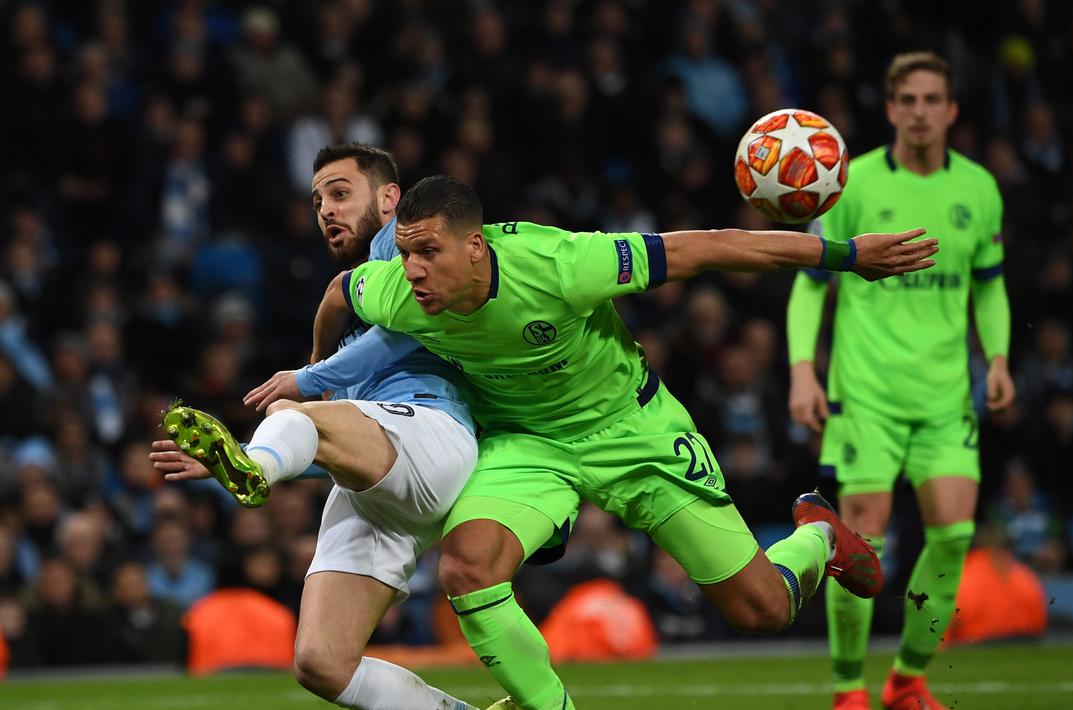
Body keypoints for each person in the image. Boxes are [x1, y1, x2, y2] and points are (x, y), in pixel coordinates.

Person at [282, 172, 936, 710]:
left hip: (631, 433)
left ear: (476, 246)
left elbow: (705, 247)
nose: (413, 271)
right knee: (466, 567)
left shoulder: (561, 263)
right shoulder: (397, 290)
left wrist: (847, 256)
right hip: (527, 443)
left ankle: (817, 534)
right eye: (404, 253)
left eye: (429, 253)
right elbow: (343, 291)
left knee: (761, 610)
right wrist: (313, 369)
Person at [151, 144, 484, 710]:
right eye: (317, 201)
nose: (326, 210)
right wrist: (224, 462)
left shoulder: (405, 248)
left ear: (388, 198)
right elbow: (337, 444)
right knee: (322, 664)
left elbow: (402, 331)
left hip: (431, 430)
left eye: (339, 192)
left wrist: (308, 377)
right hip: (378, 476)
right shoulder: (357, 299)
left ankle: (254, 464)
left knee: (295, 414)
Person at [785, 52, 1013, 710]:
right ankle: (847, 690)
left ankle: (907, 682)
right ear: (889, 110)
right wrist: (804, 371)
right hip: (866, 399)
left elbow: (990, 288)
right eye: (906, 100)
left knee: (953, 537)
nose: (919, 111)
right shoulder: (848, 185)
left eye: (930, 99)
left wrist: (996, 359)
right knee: (860, 548)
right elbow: (809, 285)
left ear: (951, 110)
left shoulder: (978, 189)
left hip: (945, 400)